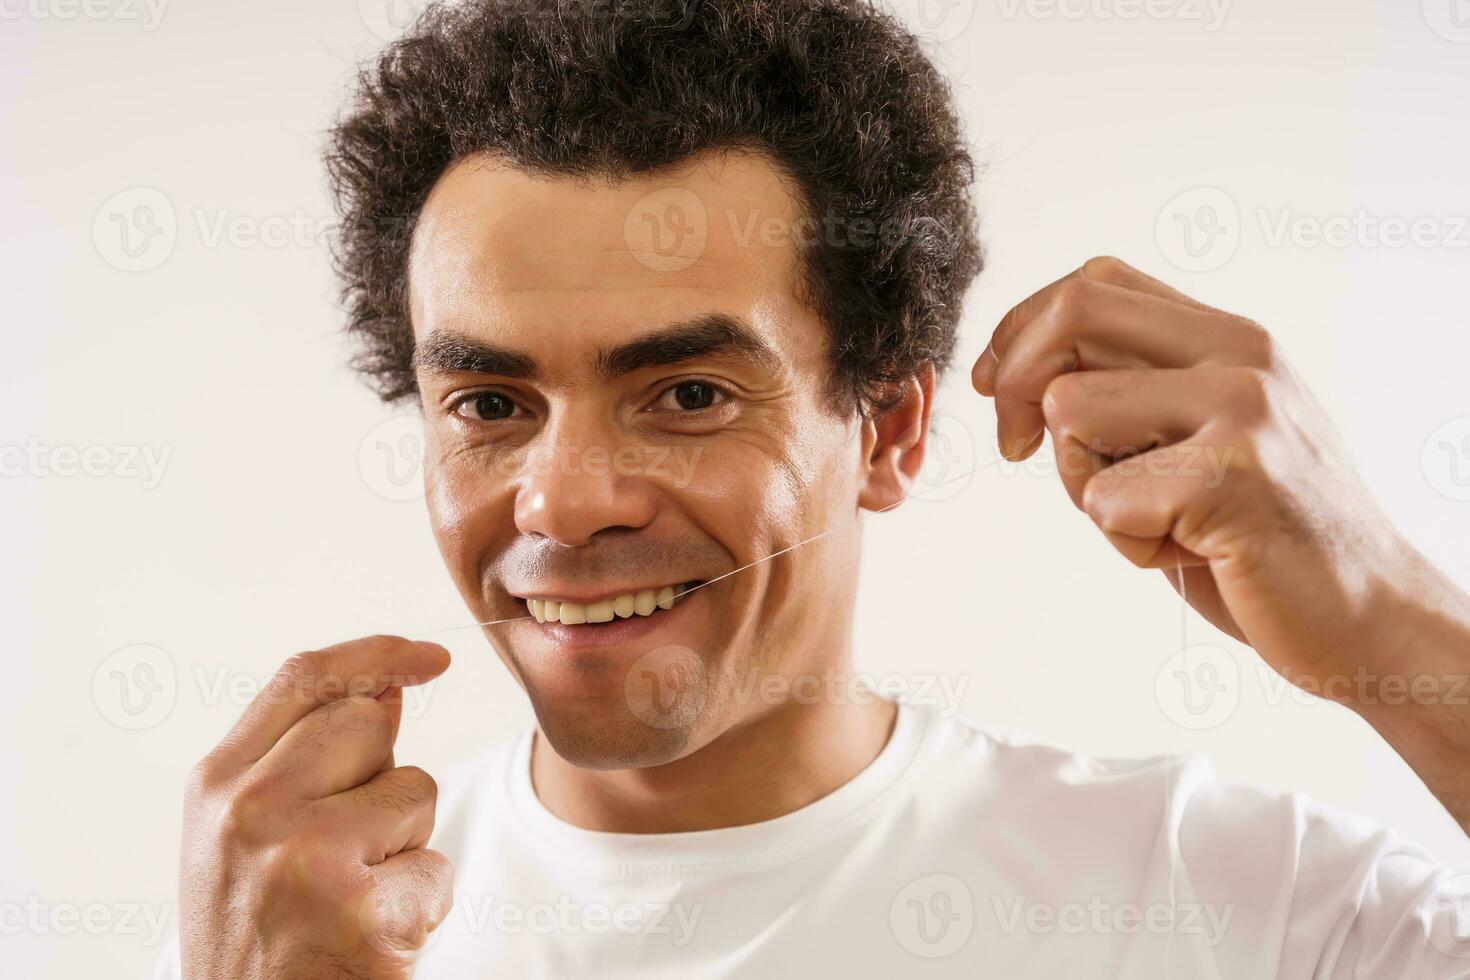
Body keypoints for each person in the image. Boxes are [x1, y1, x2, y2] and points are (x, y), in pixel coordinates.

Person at [159, 1, 1470, 977]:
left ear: (891, 429)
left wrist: (1394, 630)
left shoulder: (1229, 902)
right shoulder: (303, 944)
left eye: (686, 396)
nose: (561, 506)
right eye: (491, 407)